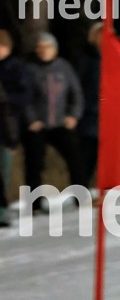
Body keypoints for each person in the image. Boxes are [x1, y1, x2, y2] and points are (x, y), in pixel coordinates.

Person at [24, 32, 84, 207]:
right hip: (38, 124)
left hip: (60, 124)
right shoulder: (30, 69)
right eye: (39, 48)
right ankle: (34, 203)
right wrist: (31, 119)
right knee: (34, 163)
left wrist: (73, 115)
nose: (42, 51)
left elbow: (76, 94)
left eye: (47, 47)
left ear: (55, 49)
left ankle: (81, 196)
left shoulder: (64, 67)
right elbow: (25, 98)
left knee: (75, 158)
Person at [0, 29, 34, 226]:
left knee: (3, 171)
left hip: (7, 126)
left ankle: (3, 212)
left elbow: (26, 94)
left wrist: (7, 101)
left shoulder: (15, 68)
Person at [77, 23, 102, 188]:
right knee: (86, 157)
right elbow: (79, 88)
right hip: (90, 116)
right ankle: (81, 191)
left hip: (108, 117)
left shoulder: (112, 58)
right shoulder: (87, 59)